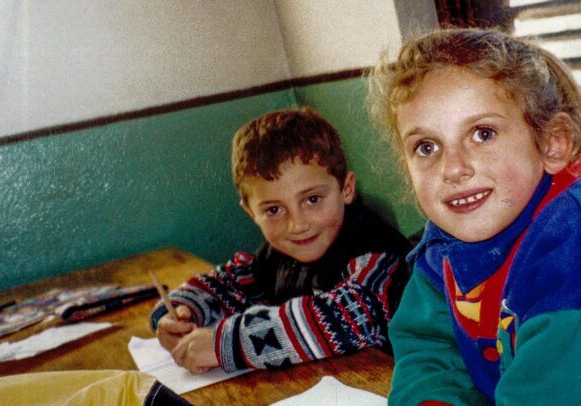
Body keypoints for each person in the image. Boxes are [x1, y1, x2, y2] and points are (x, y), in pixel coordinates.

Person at [367, 28, 581, 404]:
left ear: (552, 143)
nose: (452, 169)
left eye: (483, 134)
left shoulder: (575, 239)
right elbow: (428, 349)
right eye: (426, 147)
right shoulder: (445, 242)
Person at [149, 107, 412, 375]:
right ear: (251, 212)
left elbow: (345, 318)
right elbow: (227, 285)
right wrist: (180, 312)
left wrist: (225, 345)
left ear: (346, 188)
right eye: (274, 210)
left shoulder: (380, 254)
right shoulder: (277, 256)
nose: (297, 225)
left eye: (312, 200)